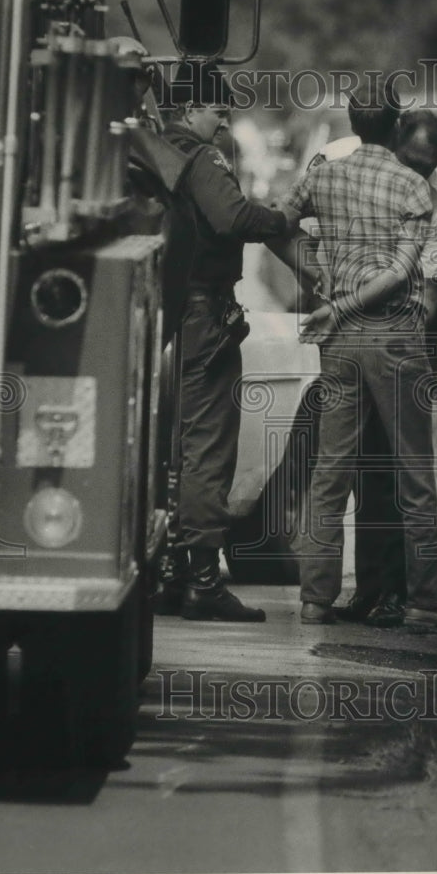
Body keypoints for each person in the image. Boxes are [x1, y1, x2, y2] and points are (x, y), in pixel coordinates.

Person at [280, 83, 437, 631]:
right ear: (393, 128)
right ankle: (426, 604)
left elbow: (274, 222)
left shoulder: (323, 173)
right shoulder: (415, 190)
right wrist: (344, 303)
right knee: (415, 474)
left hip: (337, 343)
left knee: (329, 472)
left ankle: (315, 601)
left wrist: (317, 282)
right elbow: (405, 276)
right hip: (391, 337)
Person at [154, 60, 291, 623]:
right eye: (218, 109)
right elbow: (232, 218)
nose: (224, 121)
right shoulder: (199, 154)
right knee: (208, 447)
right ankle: (204, 582)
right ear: (190, 108)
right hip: (205, 316)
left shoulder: (154, 150)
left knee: (176, 449)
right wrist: (283, 218)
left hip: (171, 315)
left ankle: (173, 571)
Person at [328, 111, 437, 626]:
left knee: (403, 470)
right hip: (354, 334)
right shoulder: (351, 167)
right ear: (390, 143)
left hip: (404, 340)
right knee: (366, 468)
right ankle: (370, 588)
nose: (417, 175)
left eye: (427, 168)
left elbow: (431, 294)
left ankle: (406, 594)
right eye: (410, 162)